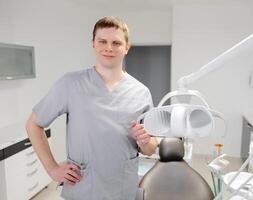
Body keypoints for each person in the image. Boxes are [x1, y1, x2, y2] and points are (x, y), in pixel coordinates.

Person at [26, 16, 158, 200]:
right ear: (93, 44)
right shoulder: (70, 83)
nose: (109, 48)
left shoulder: (141, 92)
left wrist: (145, 142)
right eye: (102, 41)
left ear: (126, 47)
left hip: (123, 189)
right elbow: (33, 124)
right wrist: (52, 168)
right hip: (84, 187)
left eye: (116, 43)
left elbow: (150, 148)